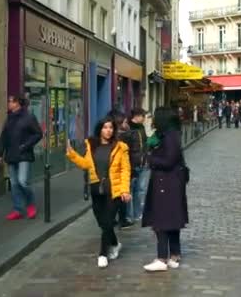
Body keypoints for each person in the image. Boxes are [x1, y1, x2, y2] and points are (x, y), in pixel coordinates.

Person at [66, 117, 131, 268]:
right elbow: (86, 164)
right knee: (102, 222)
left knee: (108, 221)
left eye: (111, 128)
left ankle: (103, 253)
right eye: (105, 127)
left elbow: (125, 170)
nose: (108, 130)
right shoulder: (91, 145)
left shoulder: (120, 147)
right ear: (99, 129)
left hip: (114, 190)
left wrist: (125, 190)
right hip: (96, 188)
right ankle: (115, 243)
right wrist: (72, 154)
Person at [142, 107, 189, 272]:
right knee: (172, 220)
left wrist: (150, 158)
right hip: (170, 183)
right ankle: (175, 254)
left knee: (161, 220)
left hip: (166, 183)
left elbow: (168, 161)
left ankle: (162, 258)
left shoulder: (170, 137)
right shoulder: (171, 134)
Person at [0, 96, 43, 220]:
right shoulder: (9, 119)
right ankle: (17, 208)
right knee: (14, 183)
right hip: (11, 155)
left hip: (24, 155)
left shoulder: (29, 117)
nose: (8, 103)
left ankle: (30, 204)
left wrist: (25, 145)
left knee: (23, 181)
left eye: (11, 101)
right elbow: (3, 138)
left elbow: (38, 134)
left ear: (17, 103)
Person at [128, 108, 149, 222]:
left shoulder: (142, 127)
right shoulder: (128, 128)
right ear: (137, 116)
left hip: (143, 162)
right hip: (133, 163)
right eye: (143, 116)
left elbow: (144, 144)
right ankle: (129, 215)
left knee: (140, 190)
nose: (144, 118)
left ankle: (137, 213)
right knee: (130, 190)